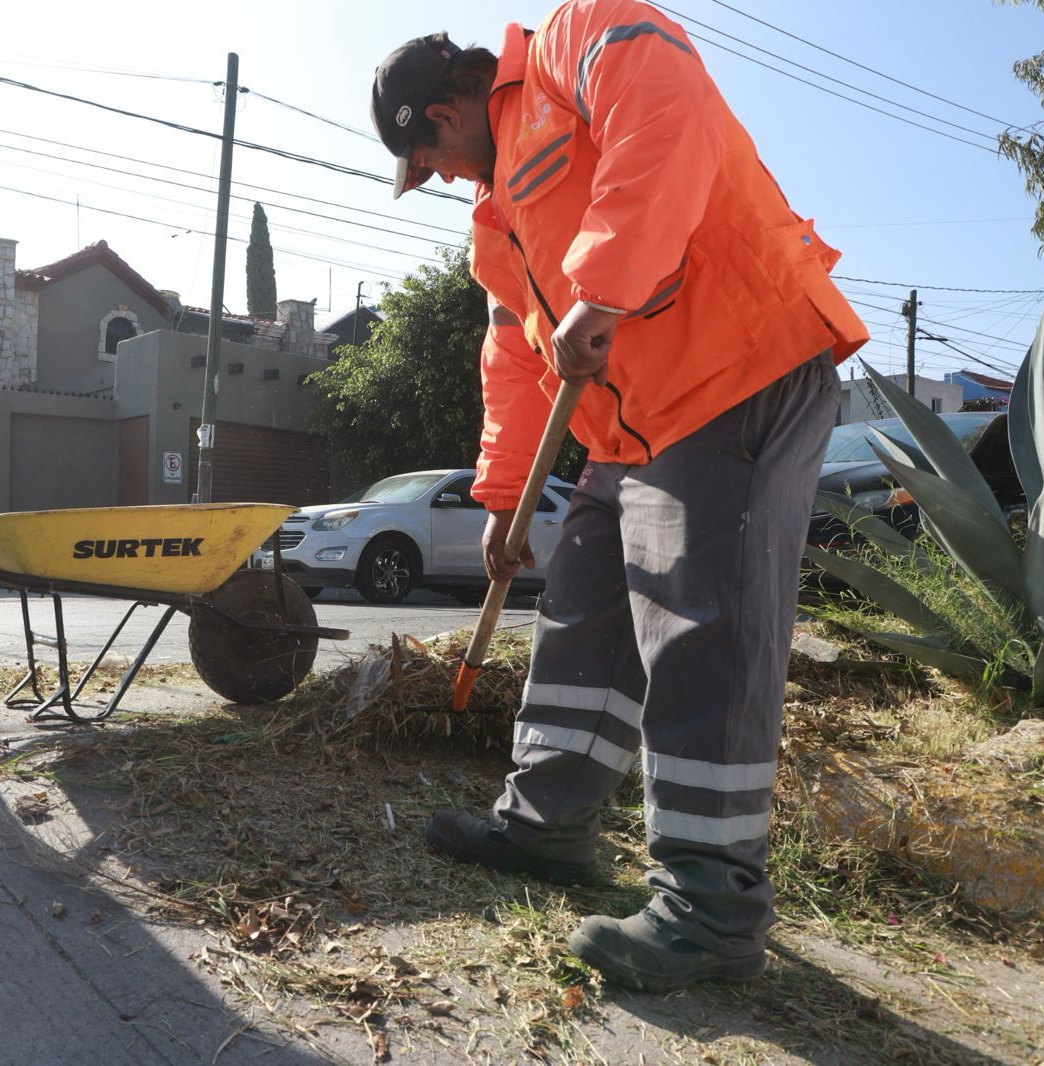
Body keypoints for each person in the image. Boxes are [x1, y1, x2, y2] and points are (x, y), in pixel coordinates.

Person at [371, 0, 868, 992]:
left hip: (737, 368)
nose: (448, 180)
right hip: (628, 428)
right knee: (581, 613)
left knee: (700, 625)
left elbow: (666, 119)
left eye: (435, 162)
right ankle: (546, 825)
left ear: (440, 115)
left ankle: (711, 906)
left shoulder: (576, 39)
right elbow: (512, 354)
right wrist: (506, 500)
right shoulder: (495, 225)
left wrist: (603, 285)